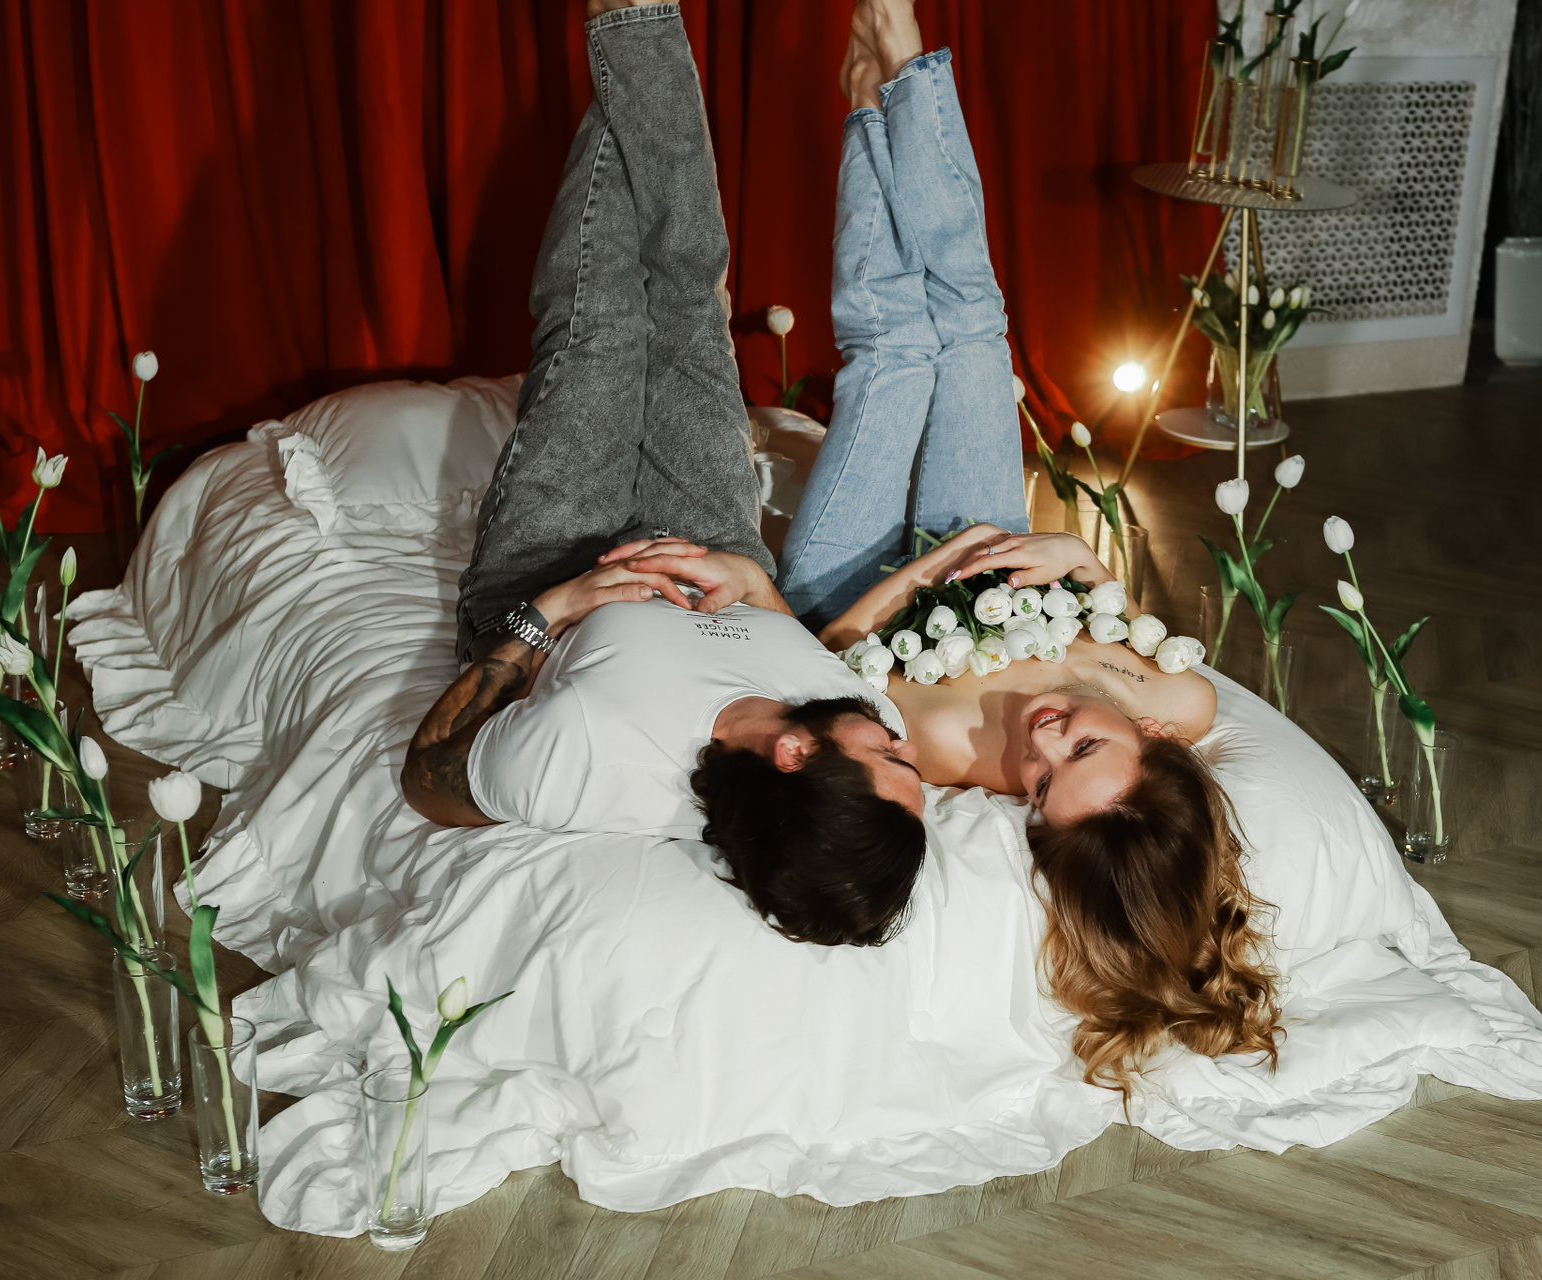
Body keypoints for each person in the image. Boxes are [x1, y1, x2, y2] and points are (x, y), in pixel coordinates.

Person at [795, 2, 1283, 1091]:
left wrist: (926, 572)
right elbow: (1102, 600)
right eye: (1085, 745)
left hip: (858, 582)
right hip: (996, 550)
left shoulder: (943, 750)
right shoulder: (1181, 699)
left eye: (1040, 781)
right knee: (974, 328)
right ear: (1153, 741)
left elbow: (822, 657)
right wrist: (1085, 565)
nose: (1046, 739)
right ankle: (901, 62)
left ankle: (868, 110)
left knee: (892, 351)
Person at [403, 0, 926, 949]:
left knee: (600, 320)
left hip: (554, 566)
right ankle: (632, 27)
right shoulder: (856, 711)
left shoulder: (592, 759)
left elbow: (428, 780)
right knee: (690, 298)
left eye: (891, 761)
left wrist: (552, 610)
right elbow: (784, 630)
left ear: (793, 755)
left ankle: (634, 21)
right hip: (711, 538)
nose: (903, 741)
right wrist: (753, 583)